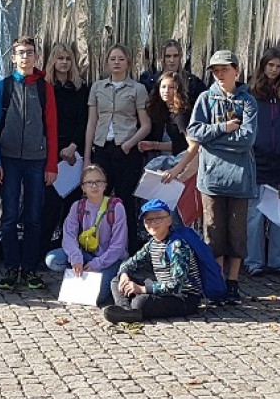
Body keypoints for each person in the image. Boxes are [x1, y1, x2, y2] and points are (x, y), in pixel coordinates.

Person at [186, 50, 259, 303]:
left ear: (236, 70)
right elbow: (194, 131)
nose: (219, 74)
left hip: (240, 178)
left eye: (224, 69)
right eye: (215, 70)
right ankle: (216, 281)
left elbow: (247, 138)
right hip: (212, 177)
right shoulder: (205, 99)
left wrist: (213, 141)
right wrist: (223, 128)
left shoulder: (248, 101)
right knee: (214, 231)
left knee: (237, 233)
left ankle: (233, 282)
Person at [0, 36, 61, 291]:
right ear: (13, 58)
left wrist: (51, 165)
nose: (25, 57)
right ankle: (12, 268)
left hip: (37, 160)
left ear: (36, 57)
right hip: (8, 160)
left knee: (33, 217)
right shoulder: (4, 87)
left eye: (30, 52)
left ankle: (30, 269)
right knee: (10, 216)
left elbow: (52, 128)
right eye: (21, 53)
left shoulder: (45, 88)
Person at [84, 43, 152, 254]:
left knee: (125, 201)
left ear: (128, 63)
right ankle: (95, 249)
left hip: (125, 150)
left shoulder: (137, 89)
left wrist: (129, 144)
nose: (117, 63)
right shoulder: (97, 88)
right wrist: (87, 158)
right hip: (102, 149)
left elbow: (146, 124)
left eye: (121, 59)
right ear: (107, 62)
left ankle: (129, 251)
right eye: (113, 59)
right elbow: (92, 123)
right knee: (97, 199)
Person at [103, 199, 202, 323]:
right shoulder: (151, 244)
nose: (153, 223)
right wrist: (124, 274)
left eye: (158, 219)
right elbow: (131, 263)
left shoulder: (178, 246)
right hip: (162, 290)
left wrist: (142, 289)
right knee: (117, 280)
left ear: (169, 221)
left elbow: (176, 285)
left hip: (184, 297)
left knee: (140, 302)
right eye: (148, 220)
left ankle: (132, 310)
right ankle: (126, 310)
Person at [47, 165, 130, 303]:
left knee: (98, 297)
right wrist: (76, 258)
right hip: (85, 253)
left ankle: (113, 276)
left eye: (98, 181)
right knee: (52, 260)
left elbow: (118, 245)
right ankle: (77, 274)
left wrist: (97, 264)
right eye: (89, 182)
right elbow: (69, 235)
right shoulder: (77, 206)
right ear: (83, 187)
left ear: (105, 185)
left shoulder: (116, 207)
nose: (94, 186)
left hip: (110, 258)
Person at [243, 49, 280, 278]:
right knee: (254, 216)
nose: (274, 70)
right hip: (256, 162)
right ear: (262, 67)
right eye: (270, 65)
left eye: (278, 67)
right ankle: (253, 261)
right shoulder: (250, 94)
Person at [42, 41, 90, 244]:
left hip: (74, 154)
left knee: (72, 205)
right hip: (49, 152)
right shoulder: (44, 88)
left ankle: (69, 249)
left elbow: (84, 120)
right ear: (53, 61)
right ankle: (42, 251)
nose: (64, 62)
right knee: (49, 205)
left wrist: (73, 146)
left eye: (68, 59)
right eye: (60, 58)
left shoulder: (80, 88)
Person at [140, 71, 202, 224]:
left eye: (171, 87)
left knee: (175, 217)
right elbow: (180, 143)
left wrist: (177, 171)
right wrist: (154, 145)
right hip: (180, 161)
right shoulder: (170, 111)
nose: (166, 91)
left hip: (187, 167)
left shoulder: (180, 114)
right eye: (163, 87)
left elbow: (194, 145)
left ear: (178, 89)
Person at [139, 38, 205, 101]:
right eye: (168, 56)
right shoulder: (151, 83)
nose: (172, 60)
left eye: (175, 56)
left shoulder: (192, 82)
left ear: (180, 57)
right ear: (163, 58)